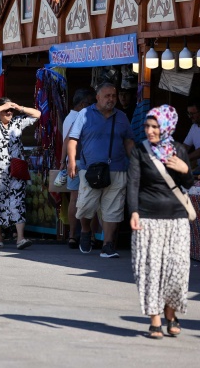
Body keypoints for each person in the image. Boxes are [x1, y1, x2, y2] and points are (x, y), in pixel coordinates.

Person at [127, 105, 193, 339]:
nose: (150, 131)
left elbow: (186, 183)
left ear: (166, 126)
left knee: (177, 269)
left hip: (177, 220)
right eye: (147, 126)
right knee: (151, 270)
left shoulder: (179, 150)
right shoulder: (140, 151)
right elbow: (133, 183)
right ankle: (155, 319)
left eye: (155, 126)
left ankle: (171, 313)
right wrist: (134, 212)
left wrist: (185, 169)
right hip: (148, 219)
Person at [67, 83, 134, 258]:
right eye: (107, 96)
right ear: (98, 97)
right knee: (85, 206)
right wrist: (71, 162)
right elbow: (73, 140)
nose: (111, 99)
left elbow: (128, 142)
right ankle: (86, 230)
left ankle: (108, 245)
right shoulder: (85, 114)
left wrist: (136, 163)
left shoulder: (122, 117)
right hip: (91, 170)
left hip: (117, 169)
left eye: (113, 95)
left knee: (113, 208)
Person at [0, 98, 41, 248]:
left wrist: (19, 107)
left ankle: (20, 238)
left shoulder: (17, 122)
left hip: (15, 171)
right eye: (6, 110)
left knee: (17, 202)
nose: (9, 112)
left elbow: (37, 114)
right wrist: (2, 107)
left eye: (10, 110)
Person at [58, 88, 96, 249]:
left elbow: (65, 141)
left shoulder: (69, 118)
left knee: (75, 198)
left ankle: (72, 235)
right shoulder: (83, 116)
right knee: (90, 198)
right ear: (82, 104)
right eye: (90, 102)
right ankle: (90, 235)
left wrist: (62, 161)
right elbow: (69, 140)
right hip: (82, 161)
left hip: (71, 161)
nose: (92, 106)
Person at [182, 99, 200, 170]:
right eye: (189, 113)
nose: (190, 116)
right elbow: (185, 146)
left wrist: (184, 159)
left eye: (192, 113)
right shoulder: (194, 127)